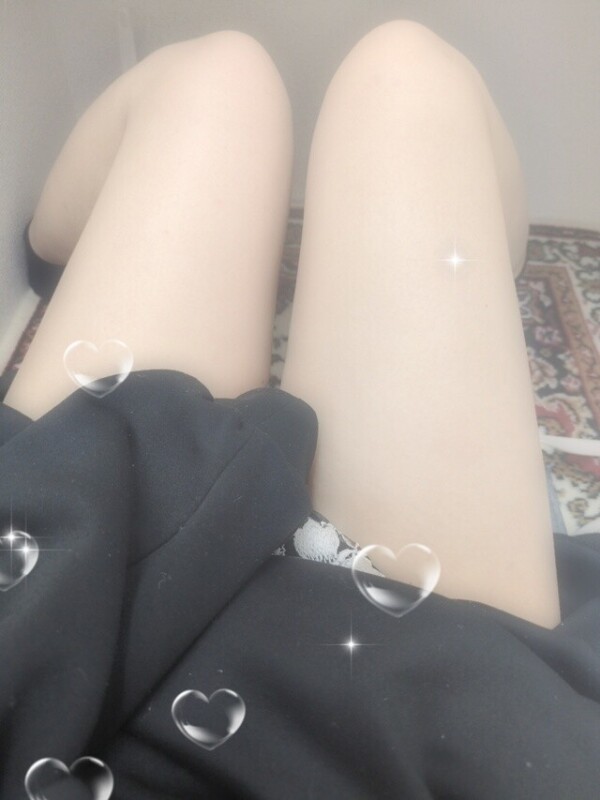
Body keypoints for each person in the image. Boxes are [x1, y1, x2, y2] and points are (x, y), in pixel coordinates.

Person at [2, 22, 599, 799]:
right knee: (406, 72)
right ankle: (487, 263)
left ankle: (58, 250)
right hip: (431, 714)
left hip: (56, 617)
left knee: (227, 73)